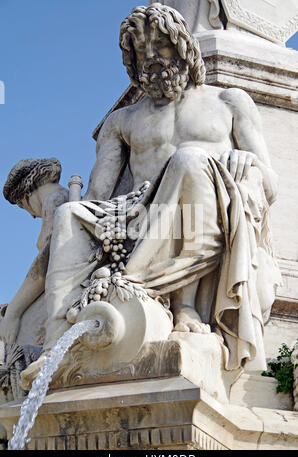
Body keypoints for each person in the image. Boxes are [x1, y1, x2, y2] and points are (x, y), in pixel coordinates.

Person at [14, 3, 281, 387]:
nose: (152, 58)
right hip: (137, 218)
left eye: (161, 46)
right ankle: (59, 341)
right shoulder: (122, 122)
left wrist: (248, 164)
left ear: (184, 46)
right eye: (142, 52)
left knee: (189, 161)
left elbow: (271, 184)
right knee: (71, 212)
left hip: (207, 217)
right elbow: (98, 197)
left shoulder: (229, 102)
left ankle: (180, 303)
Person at [0, 158, 68, 344]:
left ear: (28, 191)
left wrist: (13, 312)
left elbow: (45, 264)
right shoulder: (59, 201)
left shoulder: (55, 201)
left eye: (22, 205)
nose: (31, 215)